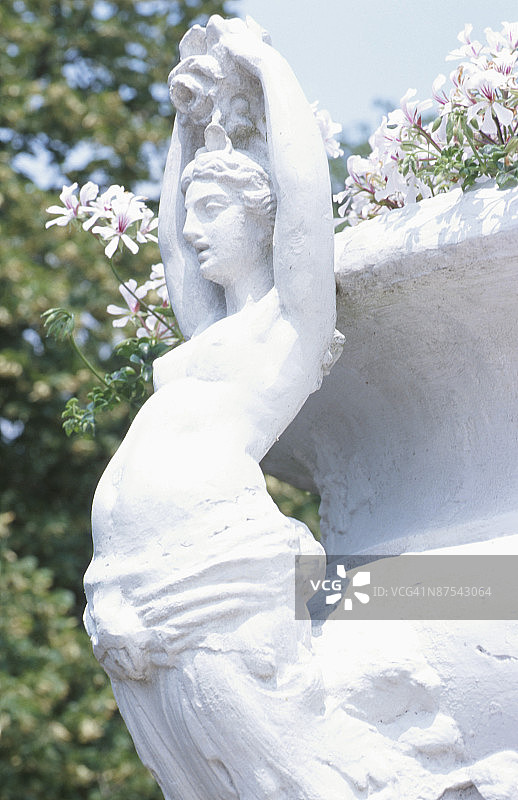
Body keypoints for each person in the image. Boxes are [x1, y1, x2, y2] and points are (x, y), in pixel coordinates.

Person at [84, 16, 341, 799]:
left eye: (212, 213)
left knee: (277, 778)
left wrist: (264, 66)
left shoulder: (287, 328)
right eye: (192, 211)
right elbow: (165, 241)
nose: (193, 231)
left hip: (216, 583)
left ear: (259, 219)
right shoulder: (208, 334)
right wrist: (185, 123)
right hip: (133, 594)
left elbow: (304, 199)